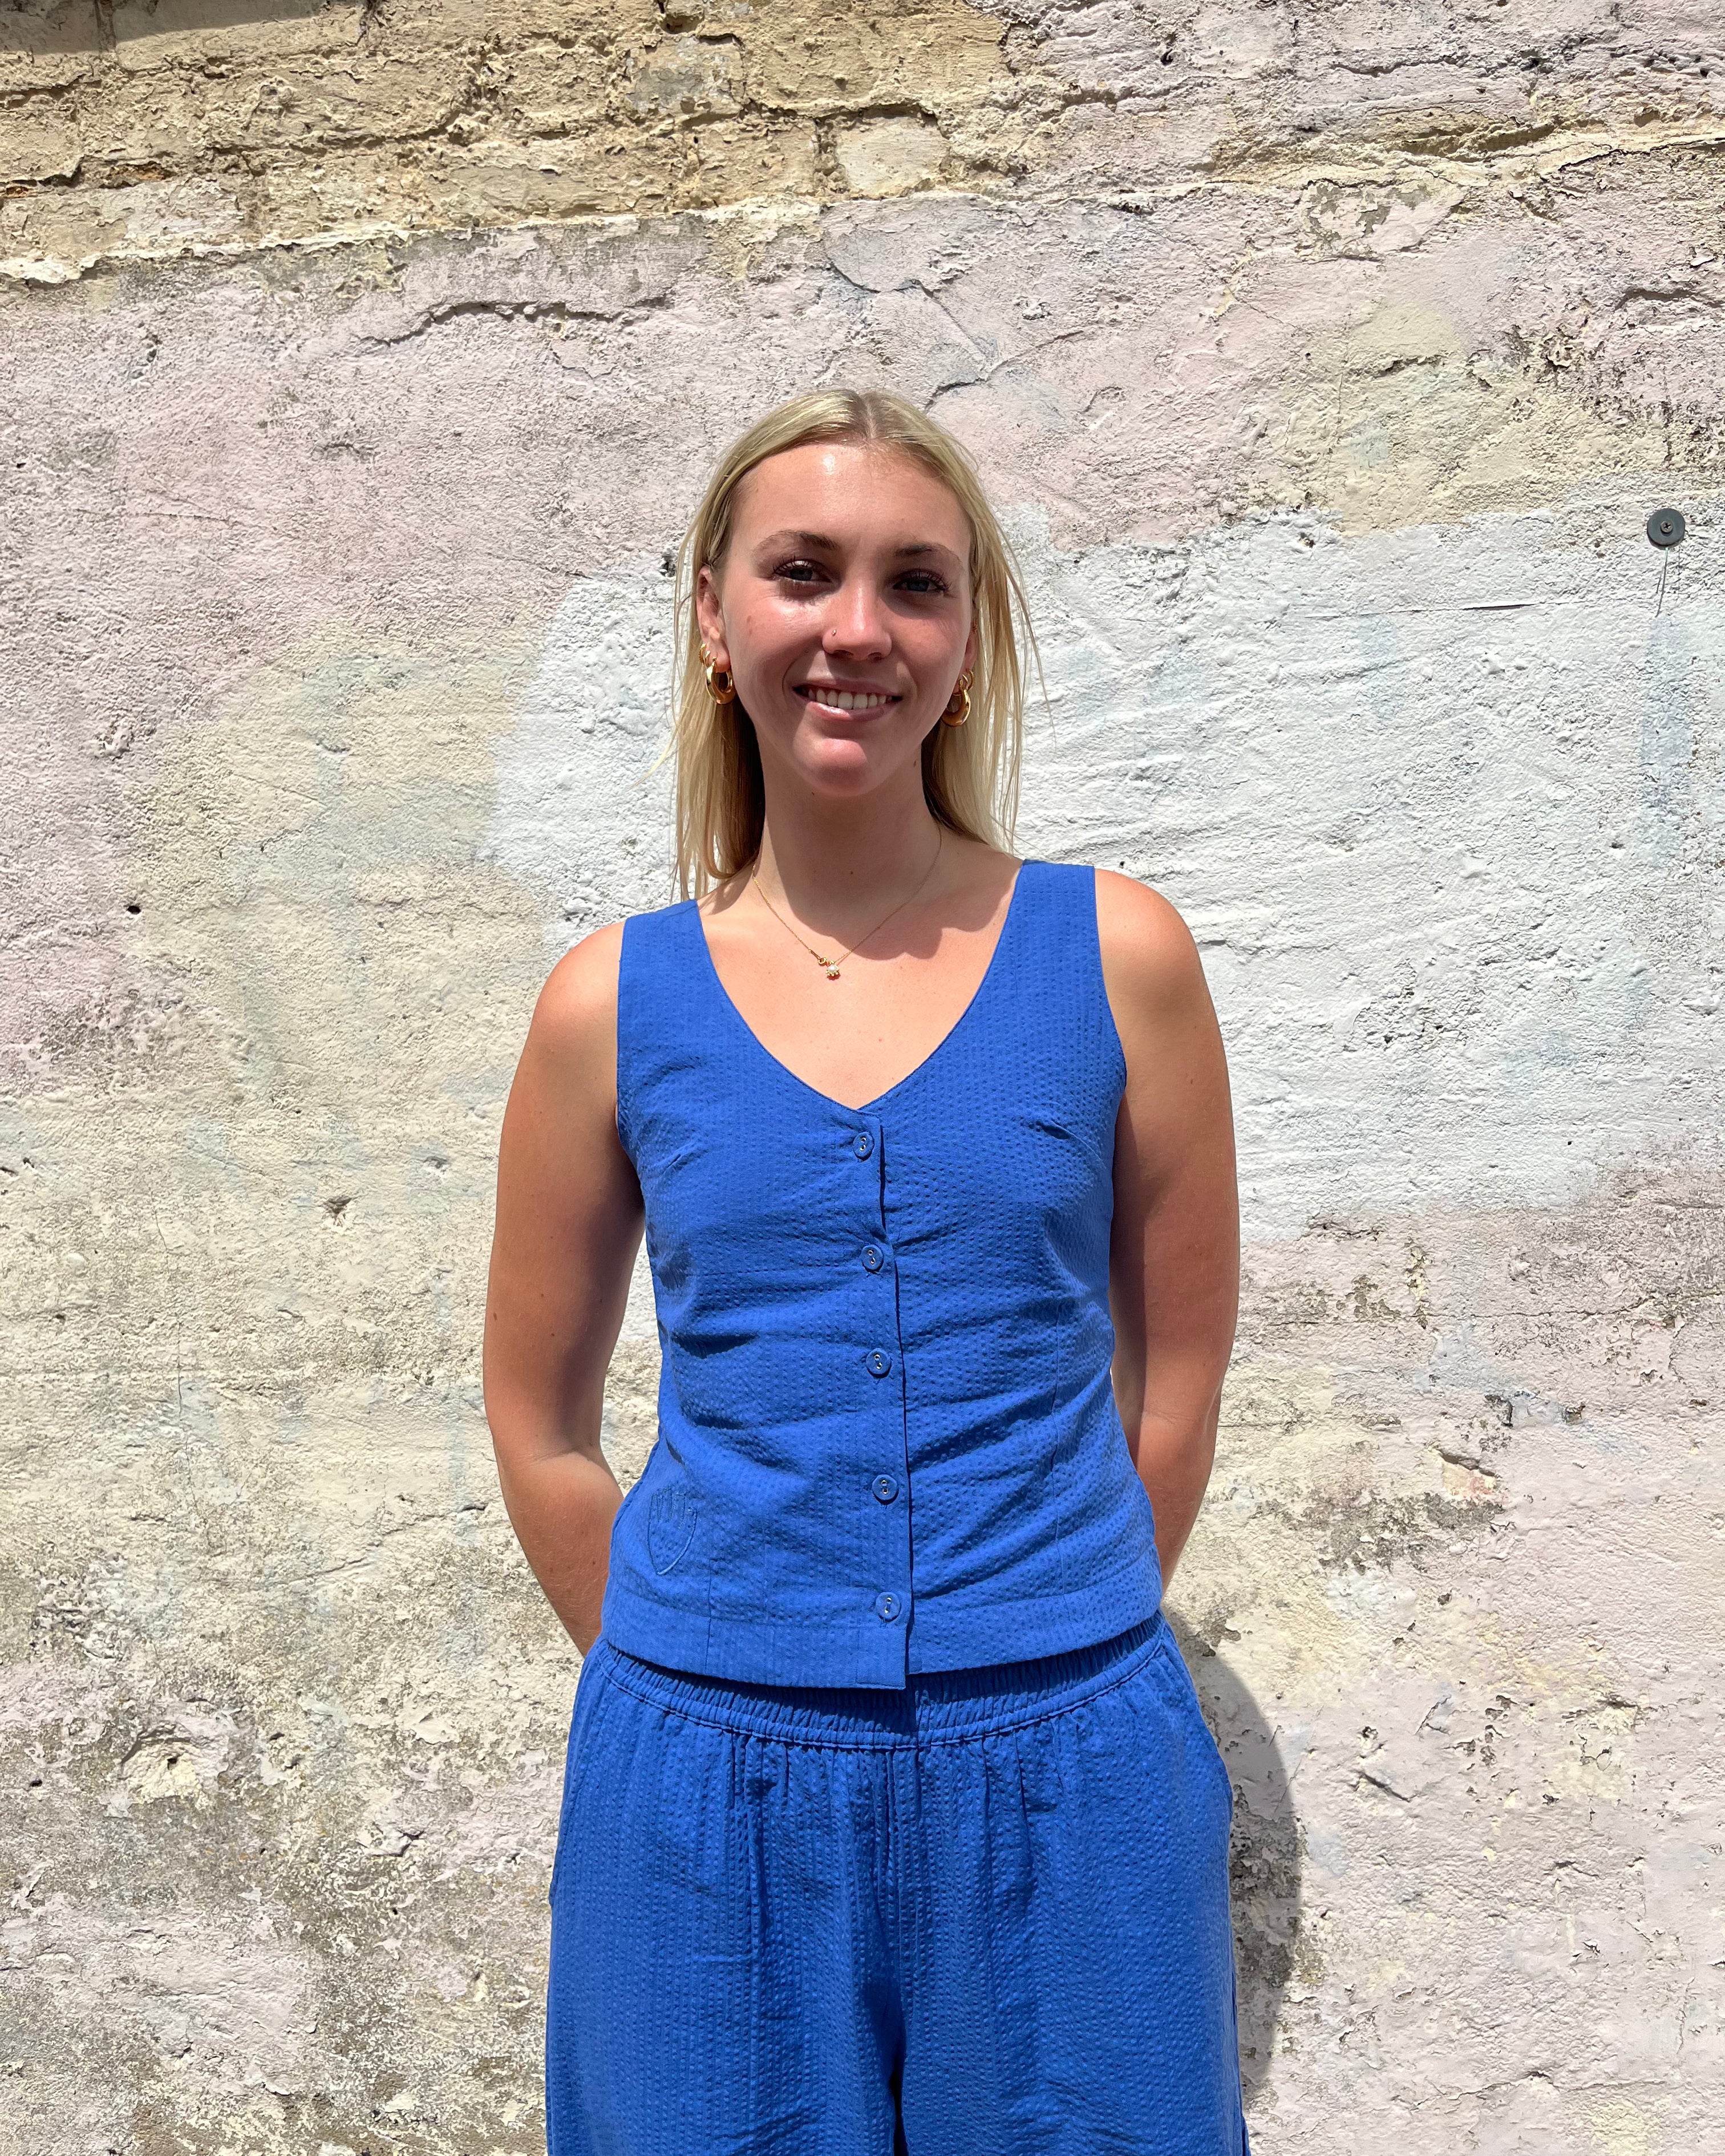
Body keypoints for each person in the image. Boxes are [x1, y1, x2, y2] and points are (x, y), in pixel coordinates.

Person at [483, 387, 1247, 2154]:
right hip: (701, 1807)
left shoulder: (1118, 956)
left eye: (917, 583)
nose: (856, 629)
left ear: (970, 642)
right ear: (711, 618)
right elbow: (537, 1424)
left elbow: (1181, 1376)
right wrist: (704, 1659)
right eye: (802, 572)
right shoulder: (609, 1007)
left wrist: (1043, 1626)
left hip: (1072, 1775)